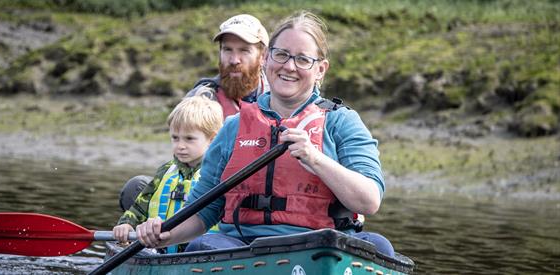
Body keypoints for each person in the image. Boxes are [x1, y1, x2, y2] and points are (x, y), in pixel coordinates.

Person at [135, 11, 395, 258]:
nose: (289, 66)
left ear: (320, 69)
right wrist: (162, 234)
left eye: (303, 59)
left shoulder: (342, 122)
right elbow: (203, 213)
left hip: (323, 246)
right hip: (245, 249)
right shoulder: (233, 128)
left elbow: (369, 201)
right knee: (203, 245)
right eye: (281, 55)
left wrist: (315, 159)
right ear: (267, 58)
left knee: (379, 246)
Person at [118, 13, 270, 210]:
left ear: (263, 56)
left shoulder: (279, 98)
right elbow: (183, 158)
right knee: (136, 188)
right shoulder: (201, 97)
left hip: (256, 198)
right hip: (206, 191)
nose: (234, 60)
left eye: (244, 51)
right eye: (227, 50)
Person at [113, 95, 223, 253]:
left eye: (189, 139)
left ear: (212, 139)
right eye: (175, 138)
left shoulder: (219, 173)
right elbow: (141, 206)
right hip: (159, 250)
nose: (180, 146)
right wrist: (127, 223)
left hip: (200, 251)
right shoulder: (166, 170)